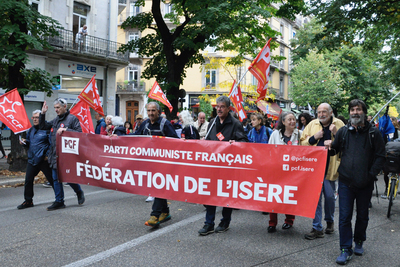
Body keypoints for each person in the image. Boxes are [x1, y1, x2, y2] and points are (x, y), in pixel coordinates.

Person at [324, 99, 385, 265]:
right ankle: (345, 249)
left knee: (362, 216)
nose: (355, 112)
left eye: (358, 109)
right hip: (345, 182)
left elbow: (381, 156)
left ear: (363, 112)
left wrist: (371, 175)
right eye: (352, 110)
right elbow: (335, 150)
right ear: (349, 113)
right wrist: (328, 147)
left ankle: (359, 241)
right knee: (344, 217)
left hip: (365, 183)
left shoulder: (374, 133)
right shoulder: (343, 131)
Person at [198, 96, 248, 236]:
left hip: (228, 168)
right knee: (210, 195)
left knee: (227, 195)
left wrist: (235, 144)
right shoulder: (212, 123)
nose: (219, 109)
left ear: (228, 108)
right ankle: (209, 224)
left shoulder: (235, 124)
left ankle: (225, 221)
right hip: (213, 166)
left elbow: (244, 142)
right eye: (217, 106)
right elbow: (208, 141)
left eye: (222, 106)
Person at [300, 103, 345, 240]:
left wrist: (336, 134)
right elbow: (302, 143)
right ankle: (317, 228)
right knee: (316, 199)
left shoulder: (339, 124)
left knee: (330, 197)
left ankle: (329, 221)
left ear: (331, 112)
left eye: (324, 112)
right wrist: (315, 137)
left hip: (330, 167)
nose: (321, 114)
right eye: (319, 112)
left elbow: (347, 142)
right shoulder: (312, 124)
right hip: (314, 169)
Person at [133, 102, 178, 227]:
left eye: (153, 110)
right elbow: (136, 137)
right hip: (151, 163)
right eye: (149, 110)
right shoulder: (145, 124)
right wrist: (118, 137)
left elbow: (175, 142)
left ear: (158, 111)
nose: (151, 113)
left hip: (164, 163)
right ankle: (165, 212)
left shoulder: (166, 124)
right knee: (157, 186)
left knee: (158, 185)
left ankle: (155, 215)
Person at [39, 98, 85, 211]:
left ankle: (78, 191)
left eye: (58, 107)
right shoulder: (55, 120)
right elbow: (43, 126)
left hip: (67, 155)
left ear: (65, 107)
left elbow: (80, 134)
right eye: (55, 108)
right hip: (55, 153)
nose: (56, 110)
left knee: (68, 178)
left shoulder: (72, 119)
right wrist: (42, 114)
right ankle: (59, 201)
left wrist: (66, 130)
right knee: (56, 179)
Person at [267, 111, 301, 233]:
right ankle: (272, 223)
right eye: (289, 119)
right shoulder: (275, 134)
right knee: (273, 196)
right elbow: (269, 150)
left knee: (289, 196)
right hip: (276, 171)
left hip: (292, 172)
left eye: (294, 119)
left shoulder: (300, 134)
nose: (292, 122)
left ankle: (289, 221)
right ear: (283, 122)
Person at [17, 110, 54, 209]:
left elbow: (52, 144)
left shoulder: (47, 129)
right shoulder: (31, 130)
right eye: (33, 117)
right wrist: (25, 142)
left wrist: (47, 155)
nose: (35, 119)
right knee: (28, 180)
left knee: (52, 179)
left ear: (41, 118)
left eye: (37, 117)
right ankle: (28, 201)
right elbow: (30, 143)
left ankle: (59, 199)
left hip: (43, 159)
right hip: (32, 159)